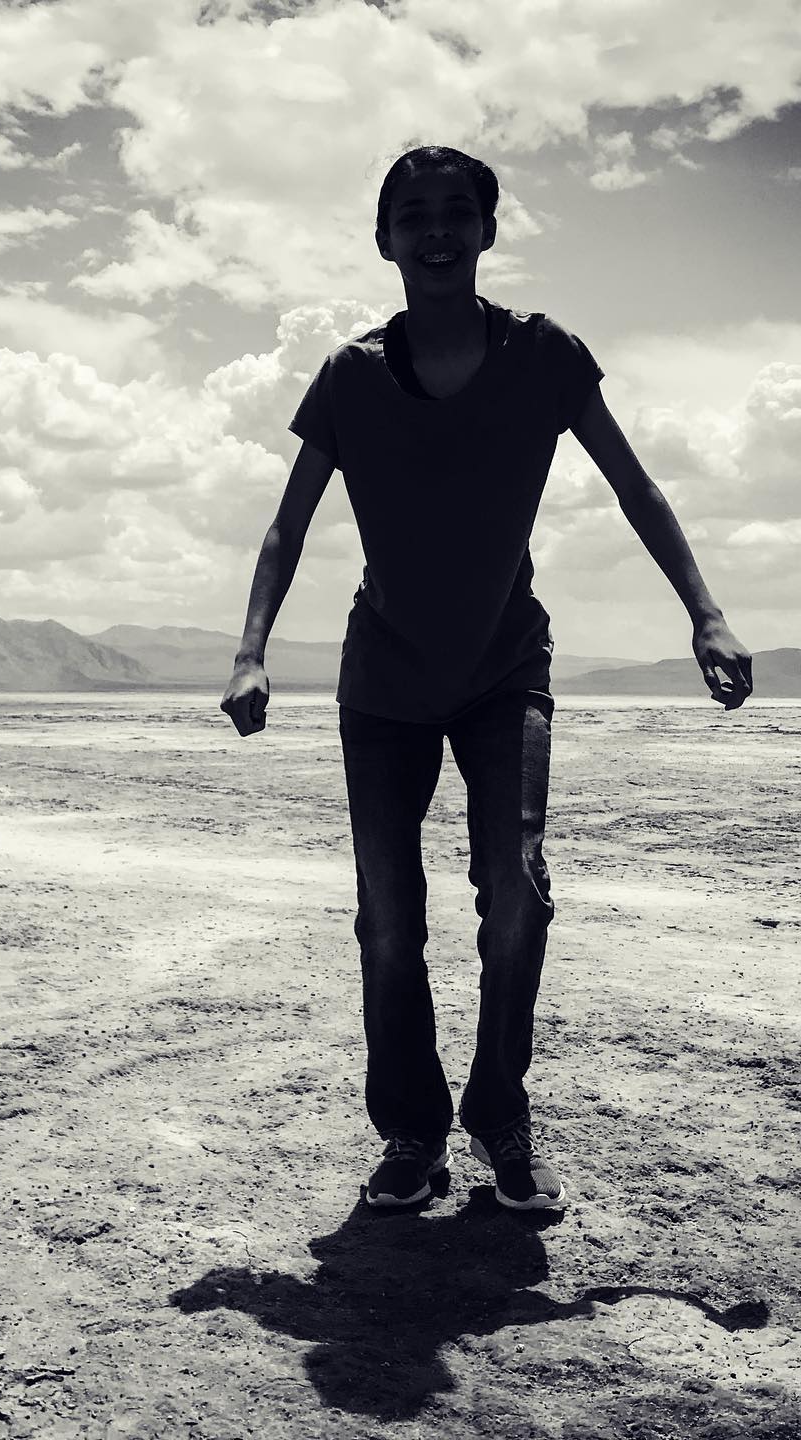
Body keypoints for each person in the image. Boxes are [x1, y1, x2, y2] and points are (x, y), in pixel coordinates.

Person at [220, 145, 752, 1215]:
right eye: (412, 215)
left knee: (516, 893)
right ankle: (413, 1133)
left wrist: (706, 612)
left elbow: (636, 486)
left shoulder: (544, 356)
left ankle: (500, 1116)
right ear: (384, 240)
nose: (435, 230)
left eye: (456, 211)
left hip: (507, 668)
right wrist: (250, 648)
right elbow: (288, 523)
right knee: (388, 920)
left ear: (487, 229)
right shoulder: (351, 377)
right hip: (382, 688)